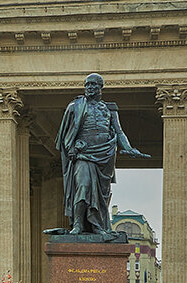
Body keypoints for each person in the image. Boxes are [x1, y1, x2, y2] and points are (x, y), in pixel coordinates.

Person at [54, 73, 150, 238]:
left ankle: (97, 226)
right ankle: (77, 225)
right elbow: (64, 136)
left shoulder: (110, 109)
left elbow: (119, 131)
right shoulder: (75, 106)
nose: (89, 88)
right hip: (83, 154)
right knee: (82, 187)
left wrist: (129, 147)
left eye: (93, 85)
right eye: (87, 85)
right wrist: (72, 147)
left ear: (101, 88)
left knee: (100, 195)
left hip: (104, 156)